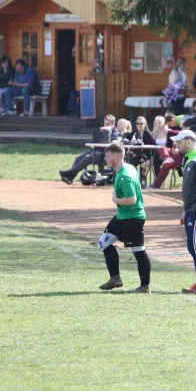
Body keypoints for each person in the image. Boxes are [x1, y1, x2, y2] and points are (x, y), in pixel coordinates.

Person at [97, 142, 152, 294]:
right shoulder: (127, 167)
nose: (105, 159)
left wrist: (116, 201)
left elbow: (132, 199)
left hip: (133, 218)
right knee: (104, 242)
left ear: (117, 157)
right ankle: (115, 278)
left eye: (108, 156)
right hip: (122, 216)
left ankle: (144, 287)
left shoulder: (124, 177)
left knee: (138, 250)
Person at [171, 130, 196, 295]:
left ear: (189, 142)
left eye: (179, 142)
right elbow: (191, 190)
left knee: (195, 246)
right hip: (191, 210)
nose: (177, 145)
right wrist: (185, 210)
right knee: (194, 246)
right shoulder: (189, 160)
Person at [59, 115, 122, 184]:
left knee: (88, 157)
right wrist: (99, 134)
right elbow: (93, 140)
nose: (105, 125)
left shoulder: (115, 132)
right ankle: (70, 178)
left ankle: (70, 172)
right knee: (78, 158)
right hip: (95, 150)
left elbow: (112, 144)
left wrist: (106, 132)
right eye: (105, 123)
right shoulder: (101, 130)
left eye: (107, 124)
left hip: (104, 155)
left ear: (113, 123)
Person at [147, 115, 182, 189]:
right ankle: (156, 183)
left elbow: (182, 133)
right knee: (158, 154)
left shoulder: (170, 132)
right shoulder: (154, 134)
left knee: (160, 151)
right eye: (156, 123)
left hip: (171, 154)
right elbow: (149, 146)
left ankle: (167, 160)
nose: (158, 125)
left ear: (164, 123)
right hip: (158, 155)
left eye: (159, 122)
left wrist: (177, 146)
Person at [127, 116, 155, 185]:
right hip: (138, 154)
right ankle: (134, 179)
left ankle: (142, 180)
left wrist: (139, 153)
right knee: (130, 161)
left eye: (141, 123)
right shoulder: (136, 132)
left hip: (148, 154)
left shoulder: (148, 133)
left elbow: (150, 147)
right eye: (137, 123)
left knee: (142, 161)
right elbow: (127, 137)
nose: (139, 125)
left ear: (145, 124)